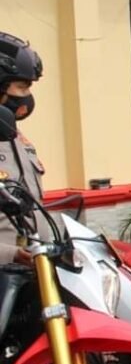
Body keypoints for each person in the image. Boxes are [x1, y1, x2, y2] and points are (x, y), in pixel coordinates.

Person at [0, 32, 47, 265]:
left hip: (32, 267)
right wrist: (10, 254)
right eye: (22, 87)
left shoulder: (17, 139)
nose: (27, 97)